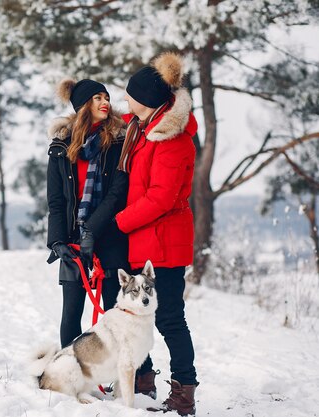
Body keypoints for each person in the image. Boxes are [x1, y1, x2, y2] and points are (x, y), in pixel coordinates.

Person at [111, 52, 199, 416]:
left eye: (130, 94)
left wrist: (120, 222)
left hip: (163, 242)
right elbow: (115, 120)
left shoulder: (170, 139)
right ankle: (143, 380)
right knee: (140, 318)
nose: (124, 101)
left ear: (144, 100)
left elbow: (161, 197)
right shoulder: (144, 127)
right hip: (147, 241)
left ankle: (183, 392)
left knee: (169, 318)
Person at [46, 78, 129, 349]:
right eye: (98, 98)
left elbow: (117, 193)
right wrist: (57, 242)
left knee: (113, 315)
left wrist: (92, 231)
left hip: (110, 236)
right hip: (72, 241)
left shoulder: (117, 141)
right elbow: (56, 201)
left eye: (106, 97)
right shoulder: (60, 147)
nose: (106, 102)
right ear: (84, 105)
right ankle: (70, 375)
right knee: (71, 314)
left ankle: (118, 376)